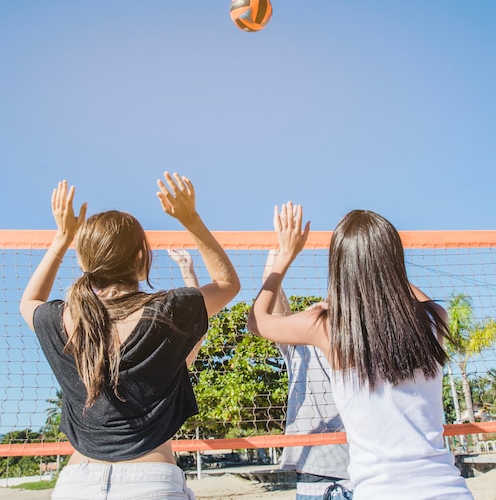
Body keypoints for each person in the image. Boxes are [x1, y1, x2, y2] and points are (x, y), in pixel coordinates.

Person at [20, 173, 240, 500]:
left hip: (77, 485)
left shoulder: (62, 319)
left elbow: (28, 302)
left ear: (83, 262)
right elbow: (227, 283)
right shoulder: (169, 311)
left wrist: (62, 238)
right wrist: (190, 219)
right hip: (151, 483)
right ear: (141, 257)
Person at [247, 203, 473, 500]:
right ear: (393, 258)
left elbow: (256, 321)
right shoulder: (434, 318)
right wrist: (382, 264)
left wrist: (286, 255)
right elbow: (403, 293)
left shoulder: (328, 327)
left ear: (340, 266)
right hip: (449, 490)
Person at [261, 250, 350, 500]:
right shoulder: (299, 347)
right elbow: (272, 307)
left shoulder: (359, 347)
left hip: (366, 466)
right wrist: (277, 254)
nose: (325, 306)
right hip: (316, 470)